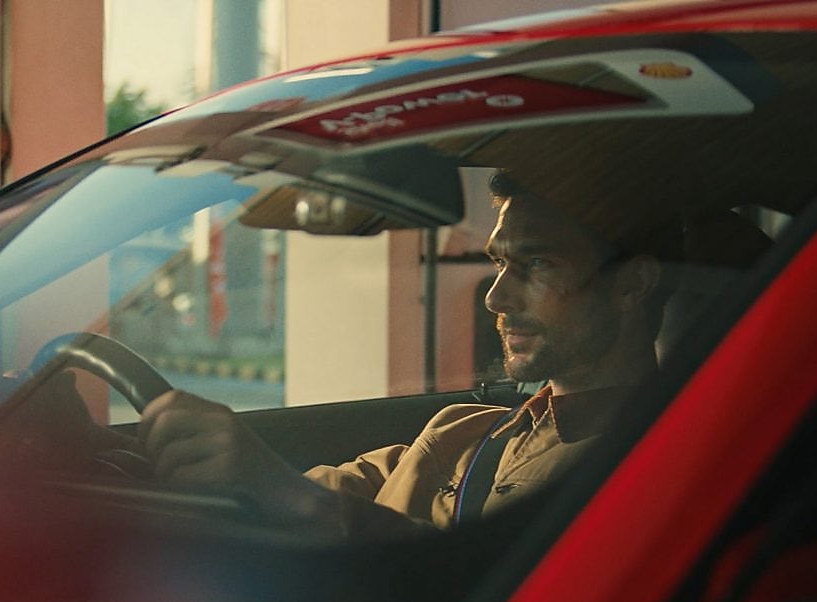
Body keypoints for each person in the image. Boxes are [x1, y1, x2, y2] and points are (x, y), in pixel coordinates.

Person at [137, 176, 683, 537]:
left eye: (537, 265)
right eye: (498, 264)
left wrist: (293, 499)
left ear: (632, 284)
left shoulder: (654, 467)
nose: (495, 298)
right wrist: (126, 467)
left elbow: (504, 582)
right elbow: (309, 489)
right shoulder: (460, 431)